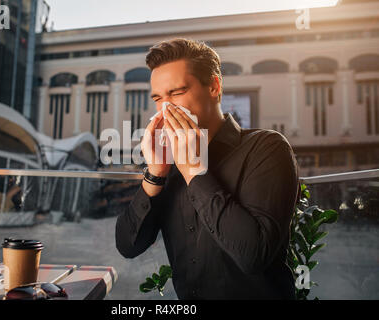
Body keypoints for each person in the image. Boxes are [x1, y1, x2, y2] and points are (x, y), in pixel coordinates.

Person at [115, 38, 300, 299]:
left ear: (214, 86)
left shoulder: (267, 147)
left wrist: (194, 171)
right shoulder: (168, 162)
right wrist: (155, 173)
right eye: (158, 98)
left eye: (177, 93)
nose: (166, 108)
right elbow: (128, 246)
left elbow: (253, 256)